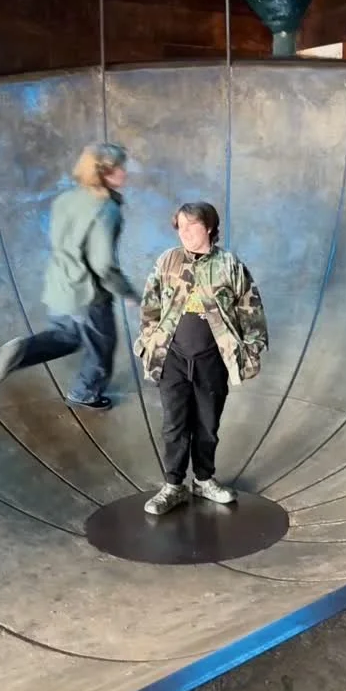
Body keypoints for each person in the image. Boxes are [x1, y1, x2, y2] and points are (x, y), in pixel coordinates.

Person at [134, 202, 268, 515]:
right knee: (174, 425)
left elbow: (250, 309)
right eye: (180, 227)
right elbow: (150, 305)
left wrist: (251, 349)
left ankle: (204, 480)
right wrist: (149, 341)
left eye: (192, 226)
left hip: (212, 359)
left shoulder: (229, 265)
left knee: (208, 424)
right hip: (172, 357)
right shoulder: (168, 260)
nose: (185, 233)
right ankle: (173, 486)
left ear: (208, 227)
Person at [0, 142, 138, 409]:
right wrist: (127, 292)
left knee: (67, 336)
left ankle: (23, 351)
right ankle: (85, 393)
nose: (125, 172)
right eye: (120, 168)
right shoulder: (107, 210)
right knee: (101, 347)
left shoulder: (66, 199)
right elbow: (103, 264)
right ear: (105, 172)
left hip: (59, 284)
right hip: (88, 294)